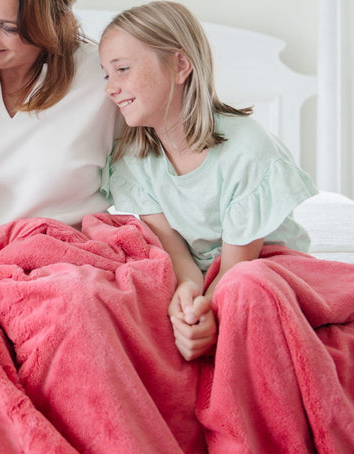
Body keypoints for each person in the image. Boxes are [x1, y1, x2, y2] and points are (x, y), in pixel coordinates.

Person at [99, 1, 317, 360]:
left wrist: (207, 308)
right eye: (107, 75)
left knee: (246, 291)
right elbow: (175, 249)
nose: (111, 88)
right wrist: (188, 295)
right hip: (202, 267)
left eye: (122, 69)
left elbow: (238, 266)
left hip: (263, 262)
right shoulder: (133, 159)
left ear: (180, 65)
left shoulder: (246, 150)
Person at [0, 0, 119, 235]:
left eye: (8, 27)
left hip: (71, 252)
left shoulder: (104, 75)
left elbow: (152, 176)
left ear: (53, 25)